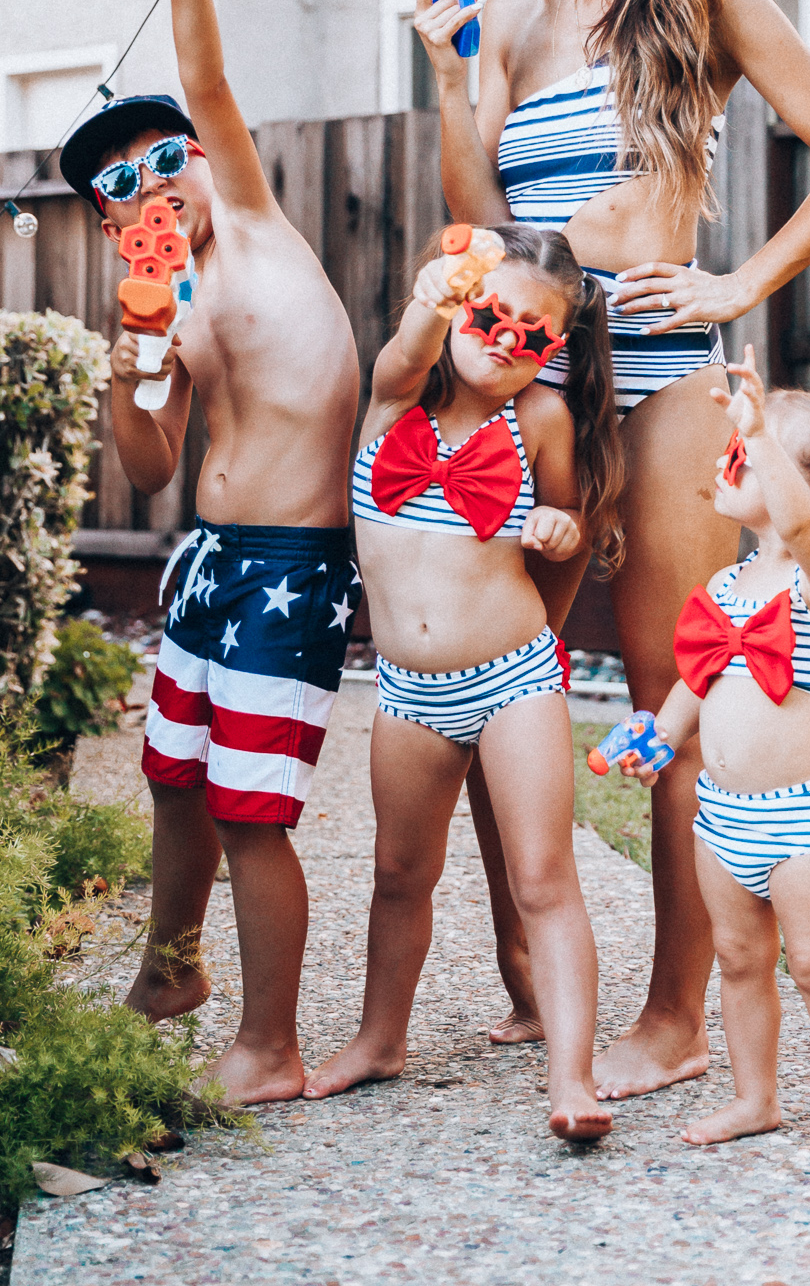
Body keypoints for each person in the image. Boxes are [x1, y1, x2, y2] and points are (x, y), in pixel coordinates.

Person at [414, 0, 810, 1098]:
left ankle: (676, 1015)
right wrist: (453, 69)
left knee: (666, 696)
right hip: (542, 379)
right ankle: (532, 985)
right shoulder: (507, 15)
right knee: (491, 673)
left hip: (669, 377)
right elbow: (480, 225)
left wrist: (741, 278)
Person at [58, 0, 360, 1106]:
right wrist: (133, 361)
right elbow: (145, 465)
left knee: (251, 809)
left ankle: (271, 1043)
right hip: (208, 563)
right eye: (117, 184)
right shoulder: (163, 305)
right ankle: (168, 970)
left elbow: (209, 81)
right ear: (109, 217)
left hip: (290, 567)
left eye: (160, 154)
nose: (151, 181)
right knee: (173, 779)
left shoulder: (254, 222)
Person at [302, 224, 625, 1139]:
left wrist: (561, 529)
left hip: (514, 677)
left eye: (534, 335)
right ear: (458, 302)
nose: (505, 340)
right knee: (399, 874)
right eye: (490, 315)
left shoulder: (541, 422)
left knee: (544, 879)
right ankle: (379, 1038)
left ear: (554, 351)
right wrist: (438, 296)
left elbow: (564, 514)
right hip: (407, 690)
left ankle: (573, 1079)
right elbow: (409, 346)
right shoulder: (394, 396)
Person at [616, 347, 810, 1167]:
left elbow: (800, 527)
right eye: (734, 446)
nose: (732, 456)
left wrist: (758, 429)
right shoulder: (728, 585)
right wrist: (658, 735)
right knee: (738, 960)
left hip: (801, 817)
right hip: (722, 816)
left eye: (750, 453)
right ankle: (755, 1098)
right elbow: (698, 677)